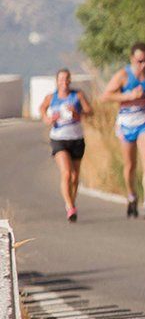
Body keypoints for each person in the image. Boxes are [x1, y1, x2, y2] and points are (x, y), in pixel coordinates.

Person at [101, 42, 145, 219]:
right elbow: (105, 96)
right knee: (130, 166)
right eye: (139, 61)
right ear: (132, 59)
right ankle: (132, 196)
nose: (143, 65)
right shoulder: (123, 75)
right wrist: (129, 96)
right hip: (127, 124)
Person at [39, 69, 93, 222]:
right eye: (61, 79)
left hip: (76, 139)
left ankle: (72, 202)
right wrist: (47, 119)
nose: (64, 82)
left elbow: (90, 111)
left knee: (75, 177)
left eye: (67, 79)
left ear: (70, 80)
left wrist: (78, 114)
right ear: (57, 81)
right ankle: (70, 207)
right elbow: (42, 109)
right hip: (59, 139)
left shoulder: (78, 95)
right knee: (67, 173)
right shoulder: (51, 97)